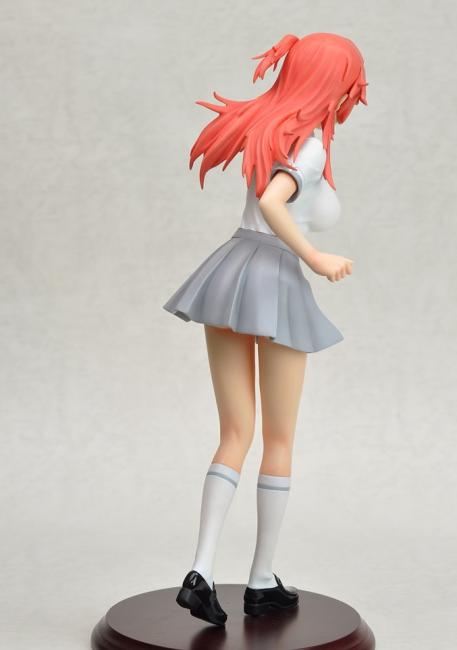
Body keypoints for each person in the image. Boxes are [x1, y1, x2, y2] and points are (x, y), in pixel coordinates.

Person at [163, 32, 368, 626]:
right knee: (278, 438)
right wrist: (317, 257)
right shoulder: (307, 146)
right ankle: (258, 579)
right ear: (335, 85)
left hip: (230, 269)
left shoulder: (269, 127)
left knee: (235, 432)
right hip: (273, 278)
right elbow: (277, 203)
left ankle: (201, 571)